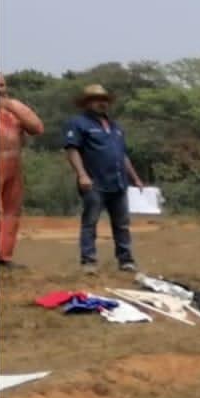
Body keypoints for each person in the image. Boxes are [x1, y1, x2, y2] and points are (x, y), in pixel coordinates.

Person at [63, 84, 144, 274]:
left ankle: (126, 261)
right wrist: (82, 175)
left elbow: (122, 155)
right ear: (87, 103)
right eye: (97, 99)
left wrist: (135, 178)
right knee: (90, 223)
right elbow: (71, 149)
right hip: (94, 183)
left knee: (122, 224)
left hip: (118, 182)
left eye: (105, 100)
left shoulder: (116, 127)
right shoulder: (78, 123)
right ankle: (89, 261)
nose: (102, 103)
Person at [0, 73, 45, 269]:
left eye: (2, 85)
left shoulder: (13, 111)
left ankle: (3, 256)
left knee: (11, 212)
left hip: (13, 166)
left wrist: (11, 105)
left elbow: (37, 127)